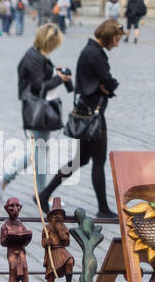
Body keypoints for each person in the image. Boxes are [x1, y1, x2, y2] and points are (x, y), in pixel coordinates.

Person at [39, 19, 124, 217]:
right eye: (116, 39)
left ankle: (44, 194)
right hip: (93, 116)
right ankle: (103, 208)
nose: (117, 44)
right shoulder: (94, 54)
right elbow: (108, 82)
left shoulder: (91, 50)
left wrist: (106, 86)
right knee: (98, 160)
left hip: (88, 112)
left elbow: (103, 83)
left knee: (82, 159)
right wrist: (108, 86)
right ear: (108, 36)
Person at [1, 23, 72, 201]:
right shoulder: (34, 57)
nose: (54, 47)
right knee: (40, 154)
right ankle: (41, 194)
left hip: (40, 109)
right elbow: (38, 87)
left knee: (38, 153)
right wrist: (59, 79)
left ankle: (7, 178)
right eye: (53, 44)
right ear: (48, 42)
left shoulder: (38, 54)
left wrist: (55, 74)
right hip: (37, 110)